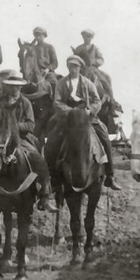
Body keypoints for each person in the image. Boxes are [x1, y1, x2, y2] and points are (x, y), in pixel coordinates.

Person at [0, 71, 58, 221]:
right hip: (0, 138)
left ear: (21, 87)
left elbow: (31, 125)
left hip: (21, 138)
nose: (14, 90)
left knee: (39, 160)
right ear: (7, 87)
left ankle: (45, 195)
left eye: (17, 87)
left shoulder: (25, 103)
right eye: (12, 86)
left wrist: (13, 126)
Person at [48, 55, 122, 191]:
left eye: (76, 66)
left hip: (86, 117)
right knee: (52, 140)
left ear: (80, 67)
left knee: (104, 137)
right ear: (68, 67)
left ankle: (110, 176)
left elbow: (97, 100)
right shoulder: (61, 83)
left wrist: (89, 111)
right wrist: (70, 111)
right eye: (71, 66)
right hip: (68, 117)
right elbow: (57, 102)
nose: (73, 69)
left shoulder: (88, 83)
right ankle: (53, 178)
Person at [73, 29, 120, 113]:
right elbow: (74, 59)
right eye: (85, 36)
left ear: (91, 38)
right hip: (81, 69)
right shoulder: (79, 48)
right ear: (82, 37)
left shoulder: (95, 48)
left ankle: (112, 102)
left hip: (93, 69)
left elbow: (101, 59)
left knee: (106, 79)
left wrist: (95, 62)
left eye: (89, 37)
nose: (87, 38)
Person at [18, 26, 59, 94]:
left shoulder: (49, 47)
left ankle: (54, 102)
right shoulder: (32, 48)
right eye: (36, 35)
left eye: (40, 35)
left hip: (47, 73)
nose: (38, 37)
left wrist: (48, 69)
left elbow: (55, 63)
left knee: (54, 82)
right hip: (34, 73)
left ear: (44, 35)